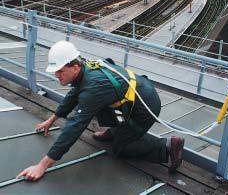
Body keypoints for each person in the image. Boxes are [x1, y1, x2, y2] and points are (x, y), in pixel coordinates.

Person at [17, 40, 185, 181]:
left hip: (145, 106)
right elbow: (73, 95)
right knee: (97, 106)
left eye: (60, 71)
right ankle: (116, 130)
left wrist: (42, 165)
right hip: (130, 99)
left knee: (120, 148)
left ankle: (168, 147)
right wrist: (51, 120)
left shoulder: (93, 87)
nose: (56, 75)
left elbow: (75, 126)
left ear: (75, 67)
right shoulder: (85, 69)